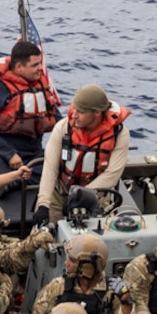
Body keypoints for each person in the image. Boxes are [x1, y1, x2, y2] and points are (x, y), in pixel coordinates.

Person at [31, 85, 131, 225]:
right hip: (60, 193)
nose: (74, 115)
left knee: (94, 242)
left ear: (97, 113)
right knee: (44, 233)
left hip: (96, 196)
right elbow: (49, 169)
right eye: (74, 108)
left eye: (81, 112)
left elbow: (112, 174)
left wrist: (80, 196)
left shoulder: (120, 134)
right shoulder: (63, 127)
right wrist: (43, 205)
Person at [0, 40, 60, 174]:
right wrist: (9, 154)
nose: (40, 69)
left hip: (33, 151)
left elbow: (58, 121)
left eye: (40, 64)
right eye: (35, 65)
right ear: (19, 67)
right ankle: (10, 182)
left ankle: (17, 180)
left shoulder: (41, 87)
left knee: (59, 173)